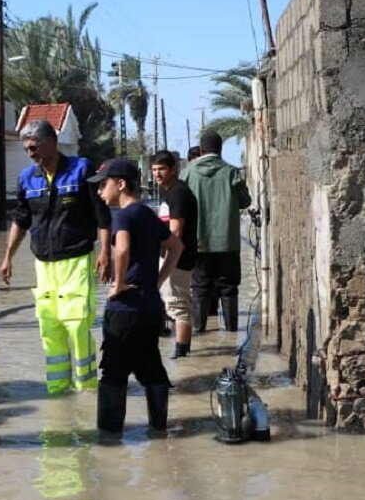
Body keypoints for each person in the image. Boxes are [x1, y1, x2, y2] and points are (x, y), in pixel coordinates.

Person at [0, 120, 112, 394]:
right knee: (50, 328)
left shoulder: (80, 170)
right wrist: (7, 257)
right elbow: (21, 220)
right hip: (44, 265)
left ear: (51, 141)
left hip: (76, 261)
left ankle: (86, 389)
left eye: (34, 147)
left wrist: (106, 252)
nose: (30, 153)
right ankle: (58, 390)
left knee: (76, 325)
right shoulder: (27, 178)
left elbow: (102, 216)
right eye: (26, 149)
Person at [88, 159, 183, 432]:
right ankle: (158, 429)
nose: (99, 192)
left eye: (103, 185)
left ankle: (109, 438)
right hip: (150, 306)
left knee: (113, 373)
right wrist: (157, 280)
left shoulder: (123, 215)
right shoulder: (147, 214)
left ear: (120, 184)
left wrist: (117, 284)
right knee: (150, 367)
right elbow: (176, 246)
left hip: (125, 309)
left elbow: (121, 249)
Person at [180, 130, 252, 332]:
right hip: (228, 242)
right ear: (220, 150)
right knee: (229, 288)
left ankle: (199, 332)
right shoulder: (231, 172)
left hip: (198, 242)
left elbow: (178, 203)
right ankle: (231, 333)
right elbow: (245, 201)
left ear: (201, 150)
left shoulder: (187, 173)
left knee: (200, 288)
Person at [151, 150, 198, 358]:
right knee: (172, 302)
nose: (157, 174)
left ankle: (182, 353)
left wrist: (167, 256)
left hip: (177, 258)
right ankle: (181, 349)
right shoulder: (169, 192)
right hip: (169, 256)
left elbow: (176, 231)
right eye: (154, 169)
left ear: (173, 170)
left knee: (178, 305)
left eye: (162, 169)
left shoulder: (178, 193)